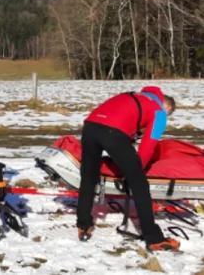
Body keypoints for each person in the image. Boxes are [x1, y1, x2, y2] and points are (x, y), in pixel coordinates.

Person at [76, 86, 179, 251]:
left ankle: (83, 225)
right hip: (112, 132)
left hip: (90, 126)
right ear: (167, 107)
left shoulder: (132, 95)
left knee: (88, 177)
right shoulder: (160, 112)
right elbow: (147, 147)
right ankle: (154, 238)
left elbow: (118, 116)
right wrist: (135, 171)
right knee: (139, 185)